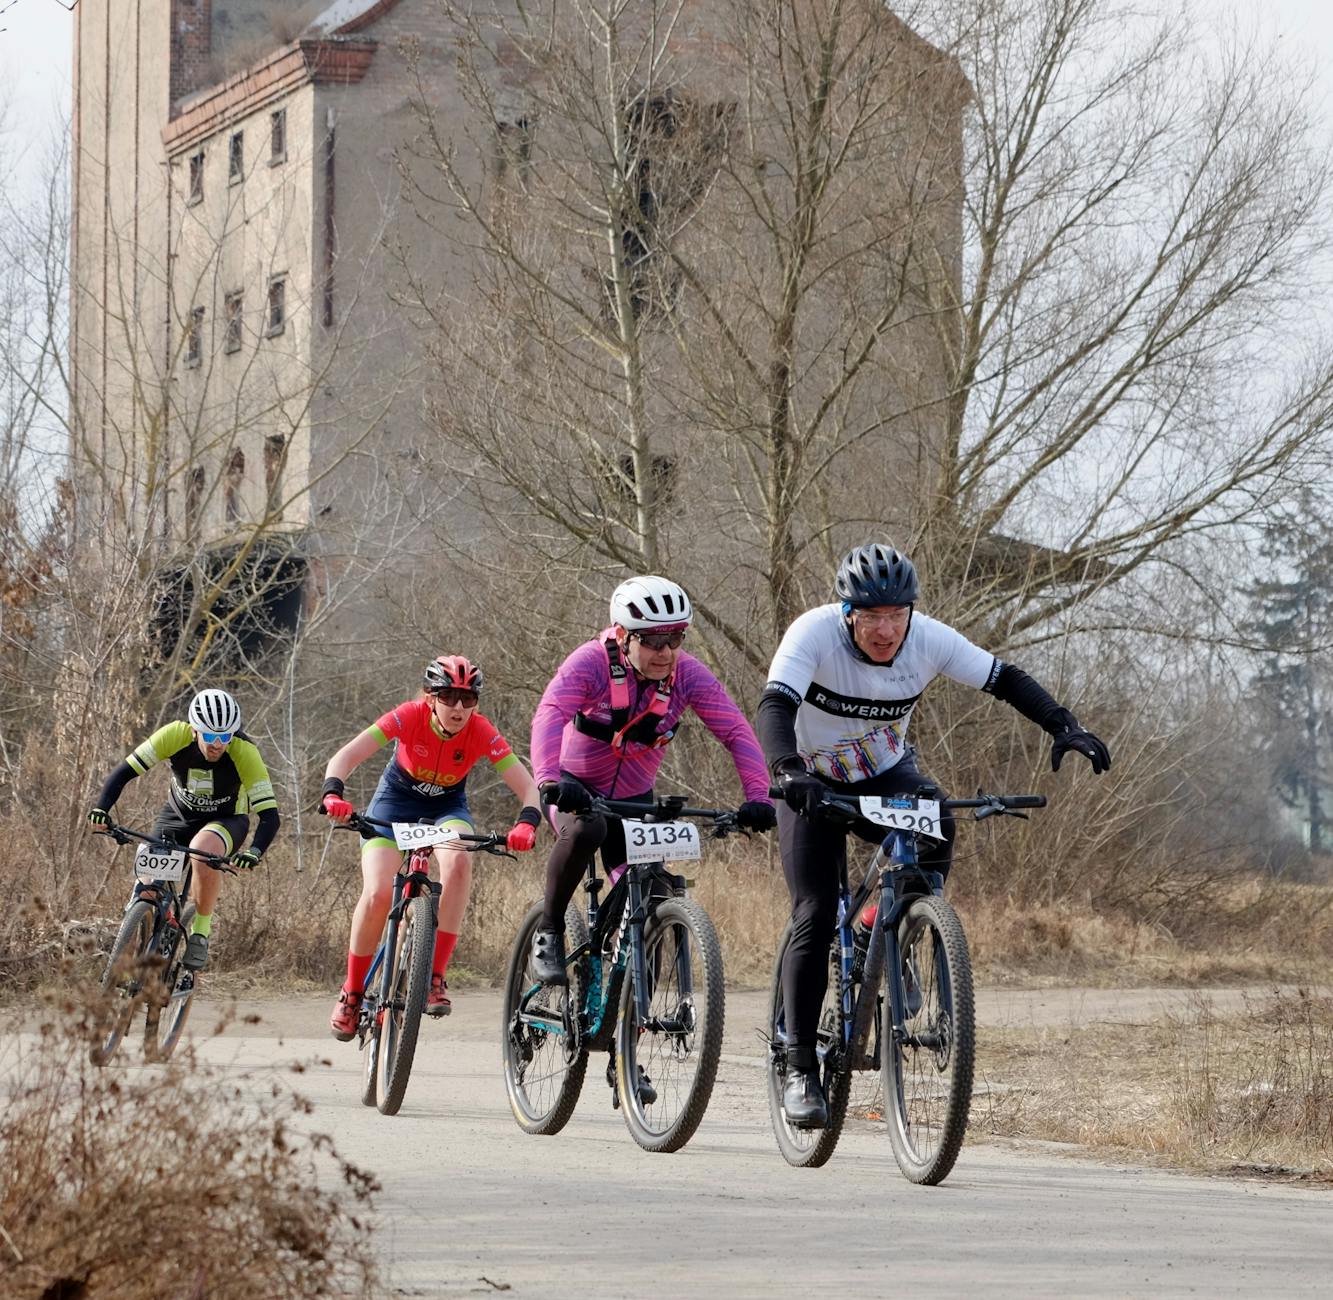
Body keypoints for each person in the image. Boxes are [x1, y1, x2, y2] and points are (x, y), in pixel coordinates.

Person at [757, 542, 1111, 1128]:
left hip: (885, 770)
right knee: (816, 913)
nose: (886, 629)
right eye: (871, 617)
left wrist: (1064, 725)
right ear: (847, 614)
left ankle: (887, 927)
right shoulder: (812, 633)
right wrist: (786, 769)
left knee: (938, 819)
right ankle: (799, 1066)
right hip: (813, 783)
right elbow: (774, 706)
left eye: (897, 615)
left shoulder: (929, 638)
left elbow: (1004, 679)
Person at [529, 574, 777, 988]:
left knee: (656, 888)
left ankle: (628, 1010)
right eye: (653, 642)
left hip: (633, 798)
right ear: (624, 636)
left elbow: (735, 732)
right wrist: (549, 779)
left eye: (675, 639)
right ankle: (550, 930)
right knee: (589, 828)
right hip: (572, 788)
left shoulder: (689, 675)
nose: (665, 653)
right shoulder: (590, 663)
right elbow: (550, 713)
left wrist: (758, 797)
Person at [321, 654, 542, 1039]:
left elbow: (527, 787)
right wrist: (333, 794)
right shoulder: (408, 715)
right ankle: (352, 992)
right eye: (448, 697)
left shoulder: (482, 731)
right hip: (394, 804)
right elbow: (346, 756)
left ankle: (436, 975)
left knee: (457, 865)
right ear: (430, 697)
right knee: (376, 892)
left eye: (468, 699)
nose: (458, 708)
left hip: (446, 808)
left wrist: (527, 822)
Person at [88, 688, 280, 972]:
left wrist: (254, 851)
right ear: (194, 731)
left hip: (226, 820)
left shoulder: (245, 752)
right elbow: (123, 773)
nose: (218, 744)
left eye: (225, 737)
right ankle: (129, 941)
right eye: (211, 736)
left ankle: (201, 932)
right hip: (178, 814)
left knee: (203, 852)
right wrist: (101, 808)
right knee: (148, 886)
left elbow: (270, 816)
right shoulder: (174, 735)